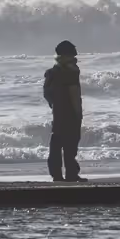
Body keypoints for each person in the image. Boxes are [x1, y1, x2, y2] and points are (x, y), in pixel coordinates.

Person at [42, 40, 85, 182]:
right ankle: (71, 174)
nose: (74, 58)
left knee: (57, 143)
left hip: (58, 112)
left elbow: (47, 94)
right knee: (71, 144)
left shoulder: (52, 72)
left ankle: (56, 175)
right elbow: (74, 93)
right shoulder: (71, 71)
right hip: (70, 112)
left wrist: (53, 105)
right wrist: (78, 112)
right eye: (72, 55)